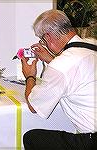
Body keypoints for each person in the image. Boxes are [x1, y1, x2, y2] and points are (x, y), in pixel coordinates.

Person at [21, 9, 97, 150]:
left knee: (32, 138)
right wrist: (51, 59)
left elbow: (33, 106)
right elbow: (77, 72)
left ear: (48, 37)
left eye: (43, 40)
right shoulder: (92, 44)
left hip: (92, 141)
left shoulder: (61, 65)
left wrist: (29, 76)